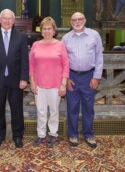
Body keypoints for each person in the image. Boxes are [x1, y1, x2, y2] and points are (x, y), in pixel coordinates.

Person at [0, 8, 29, 148]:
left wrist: (24, 78)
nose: (7, 21)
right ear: (0, 20)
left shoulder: (21, 37)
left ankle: (17, 135)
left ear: (14, 21)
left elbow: (24, 61)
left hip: (16, 80)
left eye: (10, 18)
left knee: (17, 109)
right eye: (5, 18)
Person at [62, 12, 103, 148]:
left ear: (85, 20)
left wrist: (96, 77)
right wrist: (66, 78)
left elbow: (99, 58)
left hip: (89, 76)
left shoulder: (94, 35)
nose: (77, 22)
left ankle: (89, 135)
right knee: (72, 107)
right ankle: (73, 134)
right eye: (74, 20)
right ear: (71, 22)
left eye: (80, 19)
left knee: (88, 107)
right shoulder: (66, 38)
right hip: (72, 76)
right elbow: (63, 61)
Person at [29, 17, 69, 148]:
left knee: (53, 111)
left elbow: (66, 65)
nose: (47, 31)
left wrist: (63, 84)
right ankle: (41, 135)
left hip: (55, 85)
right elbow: (31, 66)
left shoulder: (60, 44)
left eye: (49, 28)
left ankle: (53, 134)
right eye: (44, 28)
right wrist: (32, 83)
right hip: (39, 84)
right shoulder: (36, 45)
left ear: (54, 30)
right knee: (40, 111)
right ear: (41, 31)